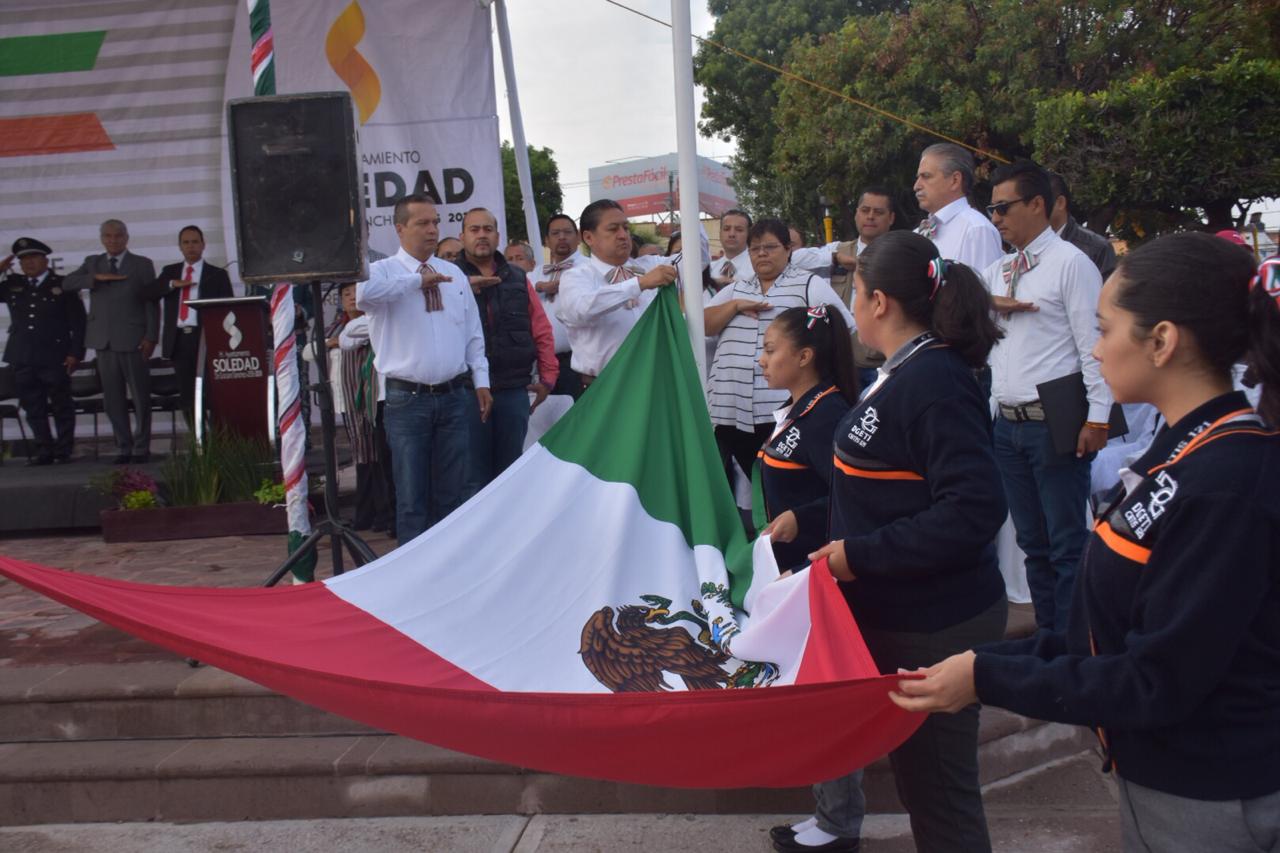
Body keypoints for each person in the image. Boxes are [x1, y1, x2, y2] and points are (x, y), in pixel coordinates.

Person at [892, 233, 1280, 853]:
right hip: (1161, 778)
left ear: (1162, 341)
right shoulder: (1181, 453)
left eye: (1104, 330)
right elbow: (1104, 636)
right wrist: (980, 664)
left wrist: (987, 679)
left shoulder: (1227, 481)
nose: (1094, 351)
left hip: (1211, 794)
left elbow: (1156, 679)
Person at [794, 230, 1007, 853]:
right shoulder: (900, 373)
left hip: (937, 623)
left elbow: (973, 509)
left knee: (940, 796)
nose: (849, 306)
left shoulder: (935, 381)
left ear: (879, 301)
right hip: (899, 613)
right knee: (923, 789)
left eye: (852, 292)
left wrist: (857, 556)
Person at [983, 160, 1110, 633]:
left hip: (1052, 422)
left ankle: (1078, 643)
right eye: (991, 208)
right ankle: (1052, 637)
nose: (995, 217)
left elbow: (1092, 346)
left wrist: (1097, 417)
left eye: (1003, 207)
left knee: (1065, 545)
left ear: (1037, 204)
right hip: (1007, 423)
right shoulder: (999, 269)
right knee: (1032, 544)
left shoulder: (1070, 263)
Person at [356, 193, 489, 545]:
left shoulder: (453, 273)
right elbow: (363, 297)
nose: (432, 230)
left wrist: (481, 381)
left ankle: (449, 567)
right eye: (422, 223)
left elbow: (472, 331)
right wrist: (417, 281)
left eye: (435, 222)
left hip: (453, 395)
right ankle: (413, 578)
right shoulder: (381, 272)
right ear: (400, 229)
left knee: (453, 492)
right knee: (412, 496)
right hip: (406, 400)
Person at [703, 219, 854, 490]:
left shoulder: (809, 284)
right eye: (755, 248)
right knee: (744, 483)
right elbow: (701, 324)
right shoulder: (736, 289)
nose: (762, 254)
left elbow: (842, 328)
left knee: (786, 484)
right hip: (729, 411)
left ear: (788, 250)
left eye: (770, 247)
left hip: (782, 410)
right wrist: (735, 306)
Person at [456, 207, 558, 492]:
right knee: (471, 477)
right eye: (474, 230)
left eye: (487, 229)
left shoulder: (516, 276)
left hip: (513, 389)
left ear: (497, 235)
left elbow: (541, 329)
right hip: (466, 391)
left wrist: (547, 378)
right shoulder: (450, 277)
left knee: (511, 474)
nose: (481, 235)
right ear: (462, 236)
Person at [756, 305, 857, 572]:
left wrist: (801, 518)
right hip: (787, 563)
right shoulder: (800, 408)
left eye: (770, 350)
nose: (761, 360)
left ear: (804, 357)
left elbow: (852, 498)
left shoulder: (828, 415)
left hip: (810, 568)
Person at [554, 199, 680, 386]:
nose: (623, 235)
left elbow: (697, 260)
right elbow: (580, 309)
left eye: (626, 228)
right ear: (588, 238)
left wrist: (689, 201)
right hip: (604, 387)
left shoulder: (649, 265)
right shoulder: (576, 276)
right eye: (613, 229)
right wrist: (639, 284)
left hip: (654, 382)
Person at [63, 219, 159, 464]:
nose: (113, 240)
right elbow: (67, 283)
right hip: (103, 341)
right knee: (112, 399)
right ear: (102, 238)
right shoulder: (92, 263)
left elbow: (151, 302)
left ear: (126, 238)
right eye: (108, 236)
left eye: (118, 236)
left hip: (134, 339)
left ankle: (141, 447)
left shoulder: (142, 264)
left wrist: (150, 336)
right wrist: (94, 278)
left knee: (140, 397)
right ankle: (123, 446)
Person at [1, 238, 85, 465]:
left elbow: (78, 322)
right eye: (23, 259)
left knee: (61, 404)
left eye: (33, 257)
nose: (29, 263)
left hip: (55, 355)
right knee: (32, 406)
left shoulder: (63, 284)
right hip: (23, 355)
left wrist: (75, 353)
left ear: (45, 260)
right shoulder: (12, 284)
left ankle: (64, 449)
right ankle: (43, 450)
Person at [148, 225, 233, 429]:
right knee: (187, 395)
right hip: (179, 339)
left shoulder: (217, 274)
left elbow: (228, 307)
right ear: (180, 246)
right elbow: (148, 293)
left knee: (213, 392)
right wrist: (171, 285)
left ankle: (218, 440)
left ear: (203, 245)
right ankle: (198, 440)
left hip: (207, 339)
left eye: (195, 242)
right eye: (186, 242)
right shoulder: (170, 272)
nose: (191, 246)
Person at [336, 281, 393, 534]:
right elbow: (311, 350)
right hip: (350, 403)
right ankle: (368, 513)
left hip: (375, 400)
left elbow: (349, 338)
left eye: (354, 292)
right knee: (365, 459)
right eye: (346, 294)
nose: (351, 297)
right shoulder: (338, 328)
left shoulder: (377, 320)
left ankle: (384, 514)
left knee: (382, 459)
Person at [913, 143, 1003, 273]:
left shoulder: (977, 230)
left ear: (955, 180)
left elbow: (985, 290)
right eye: (918, 178)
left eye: (926, 176)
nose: (916, 186)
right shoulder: (917, 233)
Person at [533, 213, 586, 398]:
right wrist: (539, 286)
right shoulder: (536, 273)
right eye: (555, 233)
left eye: (567, 232)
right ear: (546, 241)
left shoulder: (590, 268)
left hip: (578, 362)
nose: (562, 237)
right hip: (542, 363)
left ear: (578, 237)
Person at [1048, 172, 1117, 278]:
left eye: (1037, 203)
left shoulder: (1097, 248)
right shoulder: (1022, 246)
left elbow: (1107, 292)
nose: (1031, 210)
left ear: (1060, 203)